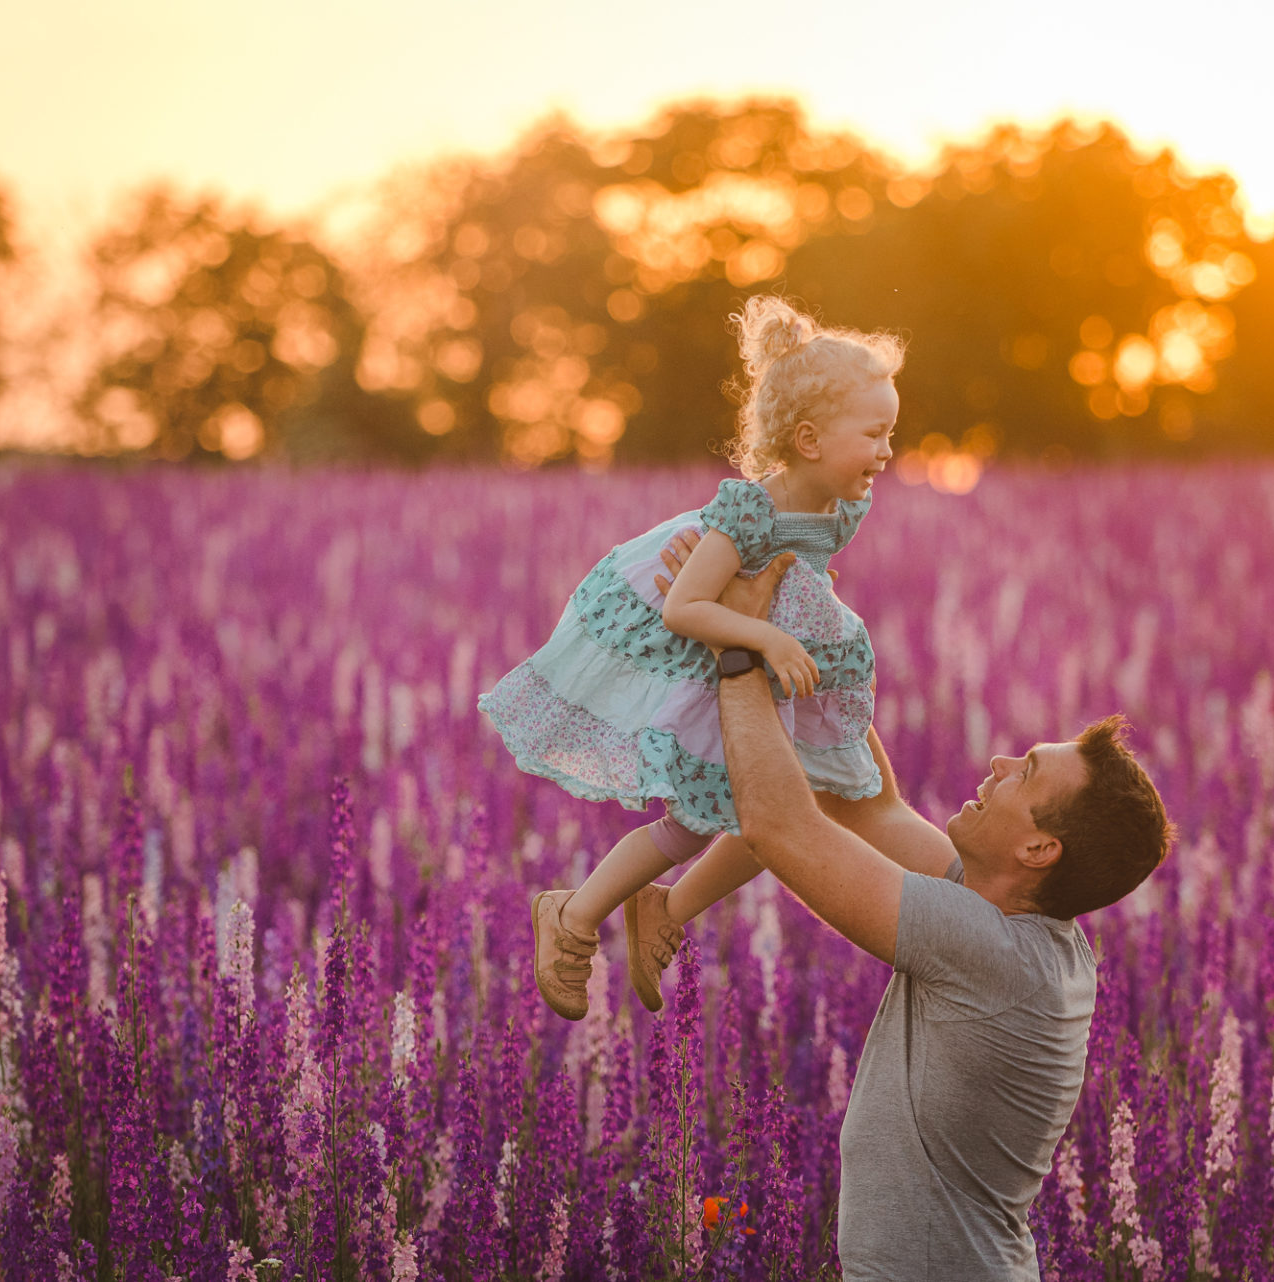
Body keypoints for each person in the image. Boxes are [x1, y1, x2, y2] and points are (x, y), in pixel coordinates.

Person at [653, 538, 1177, 1281]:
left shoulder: (991, 953)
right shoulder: (1024, 925)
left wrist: (735, 646)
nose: (997, 764)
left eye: (1023, 773)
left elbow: (779, 825)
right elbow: (867, 800)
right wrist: (808, 626)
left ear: (1038, 850)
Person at [477, 295, 904, 1019]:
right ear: (808, 439)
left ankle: (667, 908)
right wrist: (767, 636)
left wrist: (800, 611)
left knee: (777, 815)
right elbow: (686, 607)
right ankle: (574, 916)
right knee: (698, 818)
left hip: (771, 667)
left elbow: (803, 574)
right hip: (721, 655)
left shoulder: (840, 503)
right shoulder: (747, 513)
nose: (889, 451)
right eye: (875, 433)